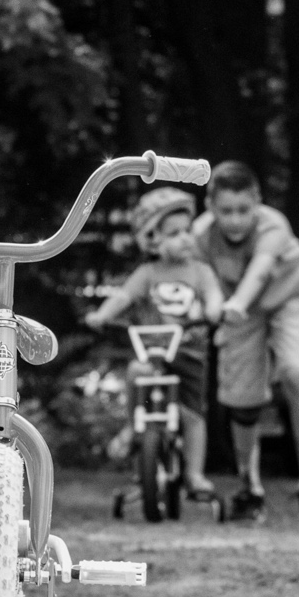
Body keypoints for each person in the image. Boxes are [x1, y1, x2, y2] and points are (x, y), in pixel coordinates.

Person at [193, 160, 299, 523]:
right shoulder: (201, 237)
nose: (236, 220)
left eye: (244, 210)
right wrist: (216, 309)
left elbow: (259, 270)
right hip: (240, 312)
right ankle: (249, 488)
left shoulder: (274, 225)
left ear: (257, 201)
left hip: (287, 296)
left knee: (295, 371)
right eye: (226, 211)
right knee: (242, 397)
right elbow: (202, 280)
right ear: (211, 206)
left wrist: (238, 302)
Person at [85, 186, 225, 497]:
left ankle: (194, 474)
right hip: (154, 350)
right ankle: (134, 430)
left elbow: (214, 295)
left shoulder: (201, 272)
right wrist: (102, 314)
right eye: (174, 233)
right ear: (152, 239)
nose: (185, 238)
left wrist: (215, 309)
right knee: (137, 372)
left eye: (187, 230)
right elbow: (124, 296)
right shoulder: (148, 273)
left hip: (189, 353)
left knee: (192, 415)